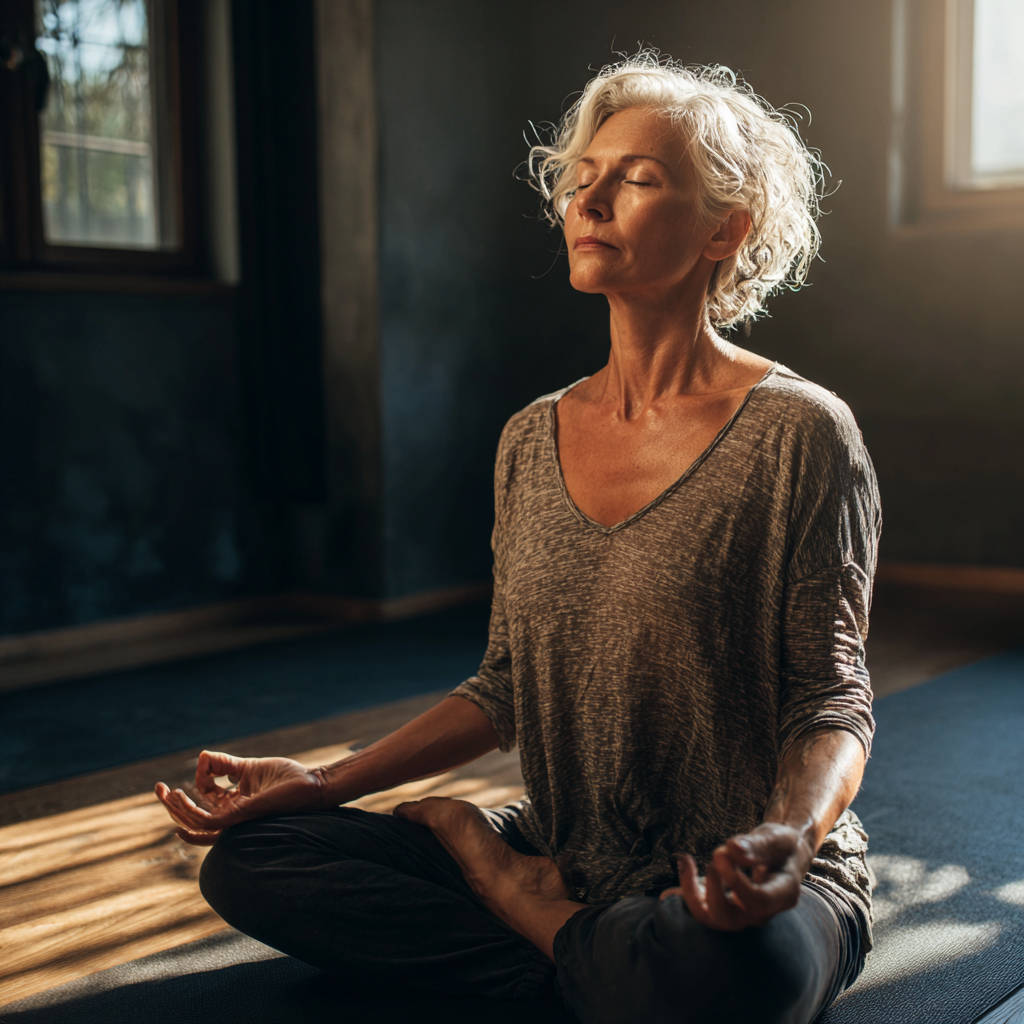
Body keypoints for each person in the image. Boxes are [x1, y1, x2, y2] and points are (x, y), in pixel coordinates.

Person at [156, 53, 880, 1024]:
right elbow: (505, 684)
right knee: (258, 861)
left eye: (635, 177)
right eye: (581, 177)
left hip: (742, 879)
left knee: (730, 978)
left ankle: (529, 909)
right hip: (570, 840)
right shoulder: (529, 439)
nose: (591, 198)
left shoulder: (802, 431)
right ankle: (597, 946)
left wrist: (789, 838)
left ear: (726, 227)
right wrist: (320, 779)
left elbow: (831, 693)